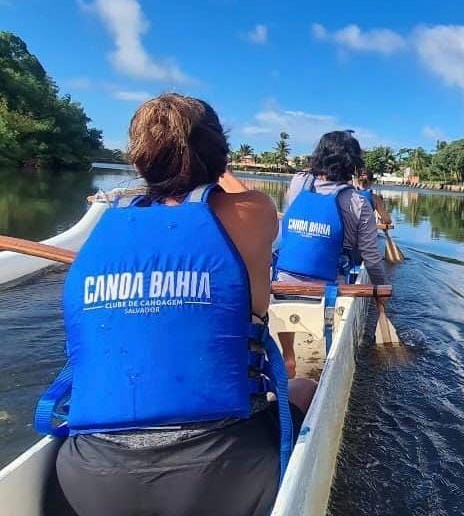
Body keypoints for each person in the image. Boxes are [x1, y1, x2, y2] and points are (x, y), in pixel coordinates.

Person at [44, 94, 314, 516]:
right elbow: (224, 193)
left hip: (85, 476)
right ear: (219, 157)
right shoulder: (255, 212)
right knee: (304, 388)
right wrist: (212, 166)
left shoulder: (106, 224)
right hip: (227, 472)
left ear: (139, 162)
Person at [275, 131, 387, 288]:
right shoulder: (359, 203)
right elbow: (372, 260)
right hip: (330, 294)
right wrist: (381, 293)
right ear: (353, 165)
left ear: (319, 156)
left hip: (282, 283)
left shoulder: (298, 183)